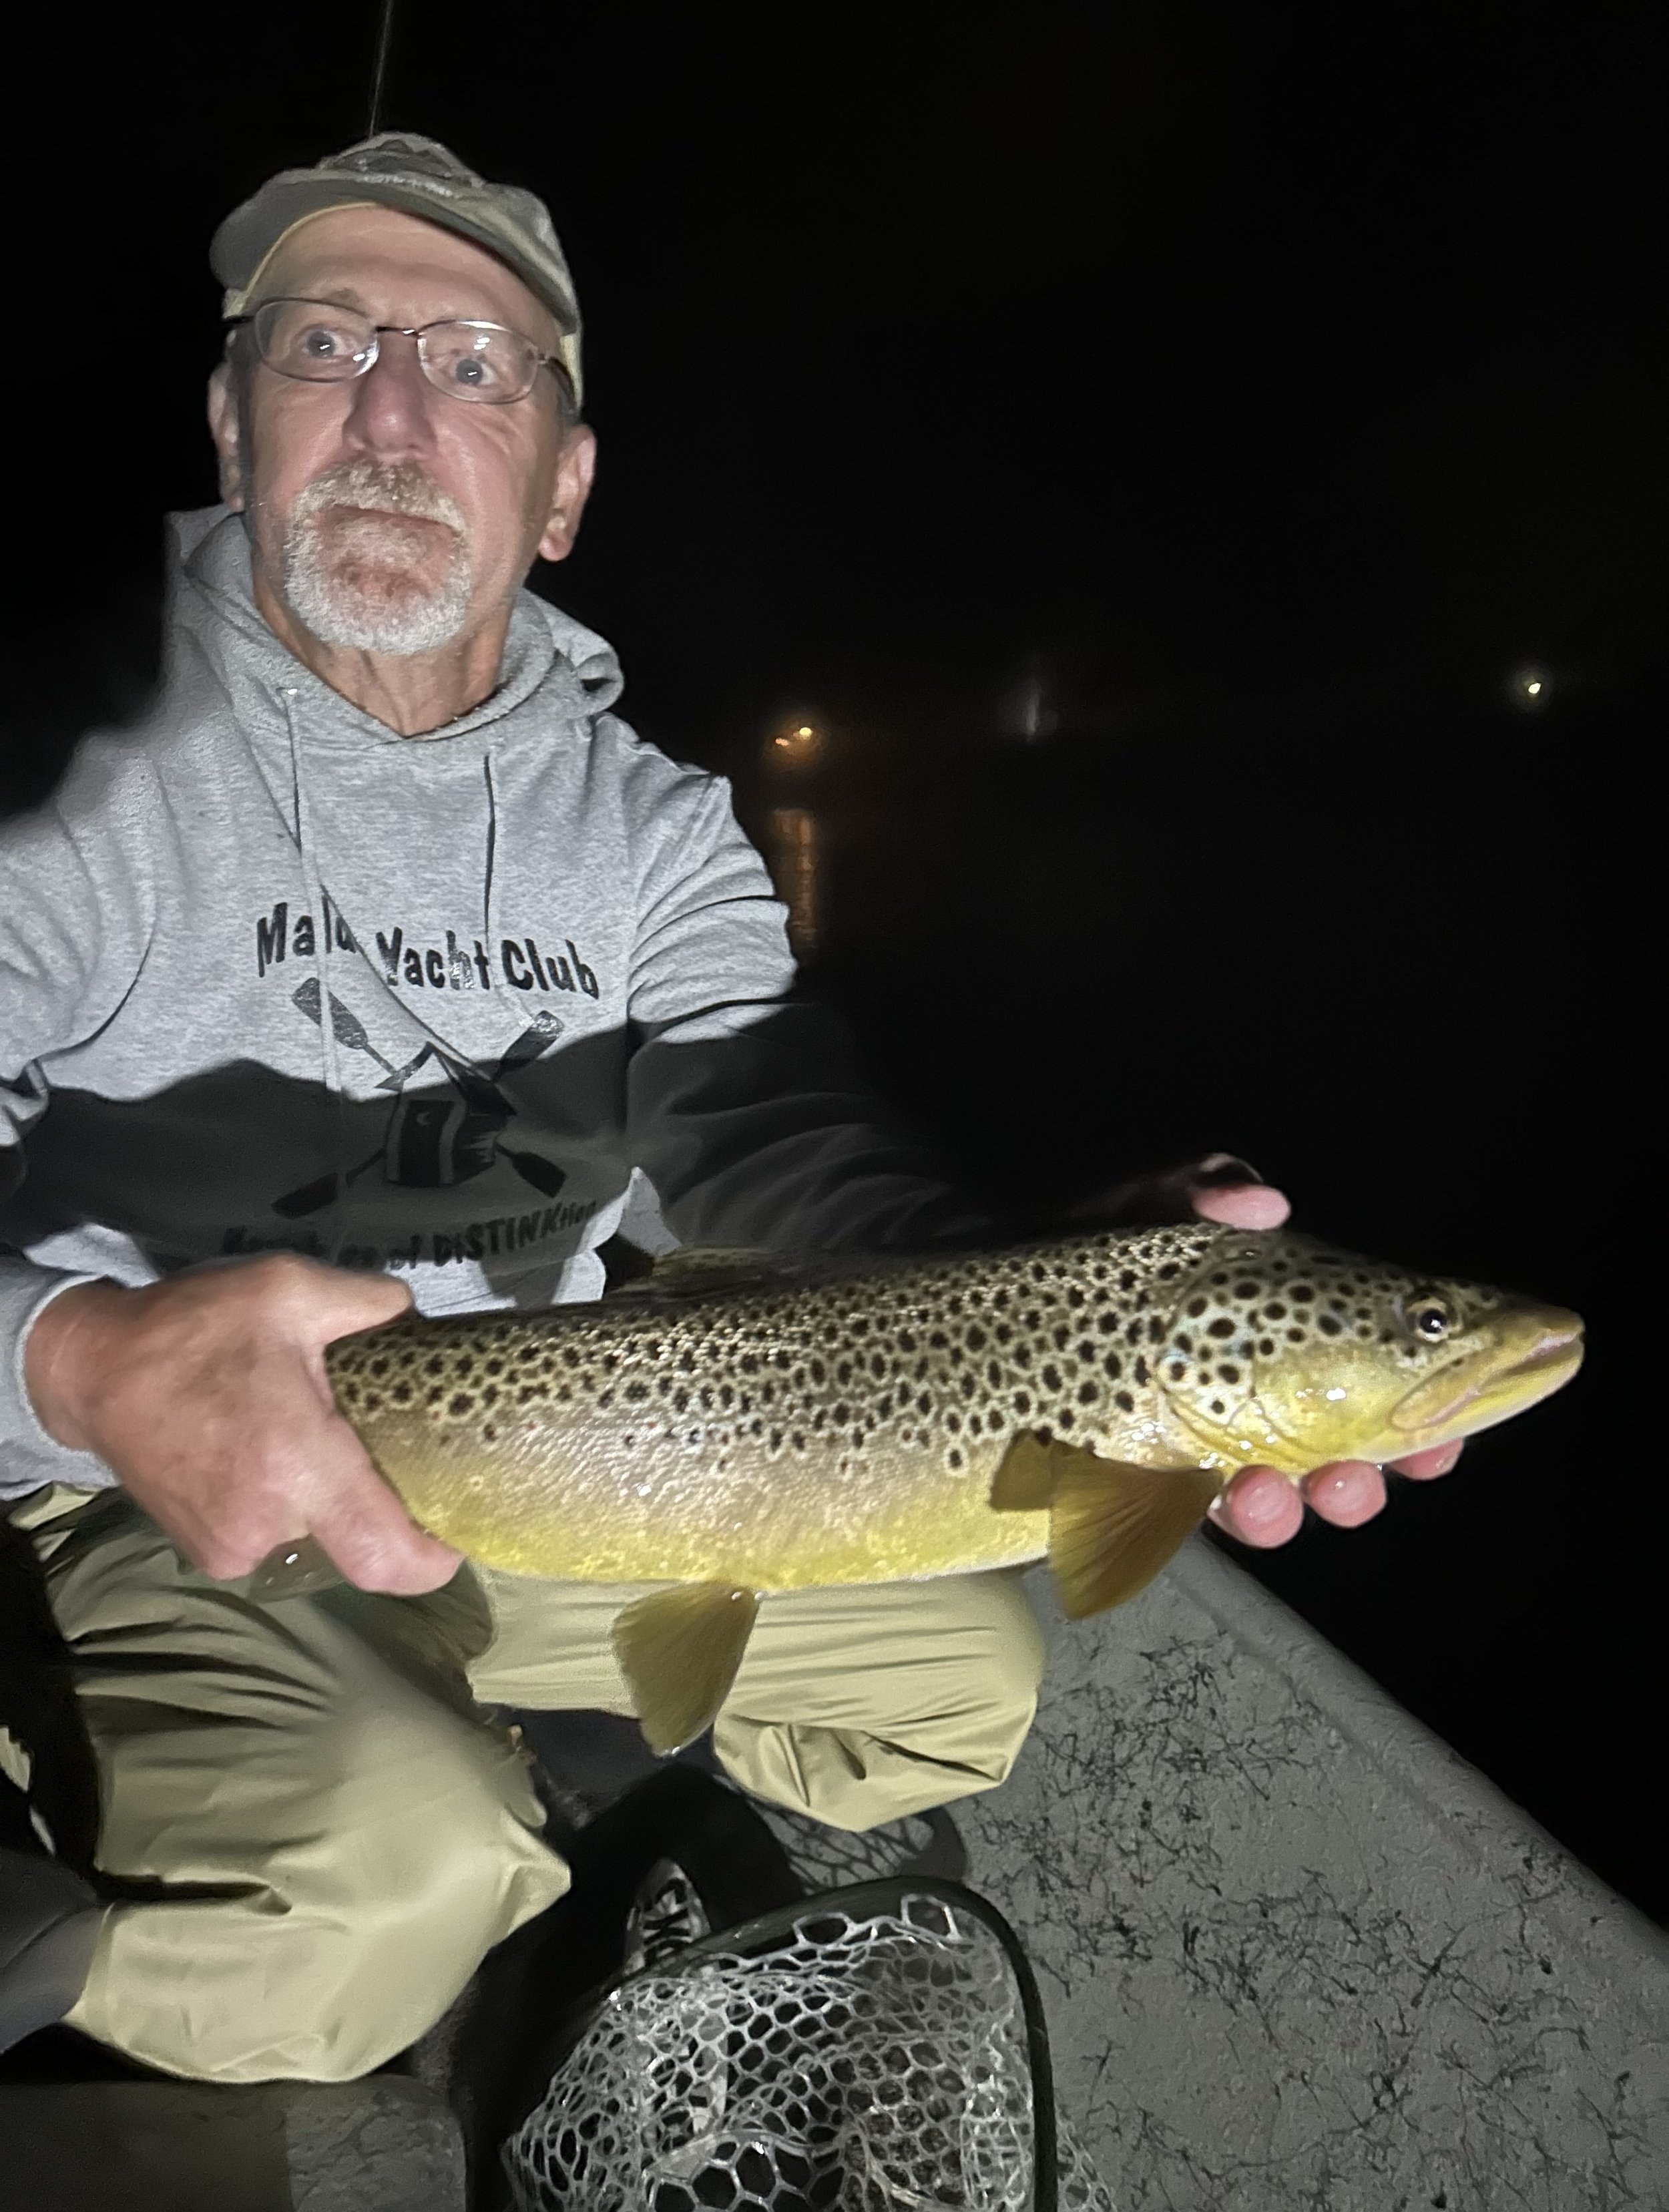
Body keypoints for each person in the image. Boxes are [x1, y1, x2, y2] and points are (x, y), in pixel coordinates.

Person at [0, 134, 1463, 2082]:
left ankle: (508, 1791)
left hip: (584, 1466)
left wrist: (1060, 1272)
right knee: (378, 1903)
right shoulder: (65, 772)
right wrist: (81, 1361)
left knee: (967, 1668)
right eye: (324, 343)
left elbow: (779, 1141)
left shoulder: (661, 831)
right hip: (147, 1492)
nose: (388, 407)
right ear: (229, 421)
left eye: (476, 364)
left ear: (566, 487)